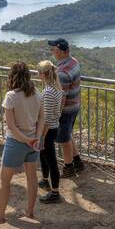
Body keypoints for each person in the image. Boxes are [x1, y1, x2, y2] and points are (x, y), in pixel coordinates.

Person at [0, 62, 45, 224]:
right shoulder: (38, 94)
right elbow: (42, 118)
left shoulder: (11, 96)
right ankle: (30, 212)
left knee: (4, 181)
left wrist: (25, 139)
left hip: (16, 143)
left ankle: (0, 217)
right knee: (32, 178)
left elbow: (11, 125)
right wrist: (35, 138)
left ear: (12, 76)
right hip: (33, 142)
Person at [47, 38, 85, 177]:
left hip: (66, 109)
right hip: (75, 105)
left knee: (63, 140)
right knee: (67, 134)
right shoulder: (74, 61)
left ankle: (69, 168)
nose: (52, 52)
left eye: (53, 50)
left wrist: (56, 114)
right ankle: (78, 162)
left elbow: (62, 97)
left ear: (61, 52)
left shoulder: (62, 74)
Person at [37, 60, 64, 203]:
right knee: (44, 156)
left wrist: (41, 137)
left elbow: (45, 120)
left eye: (38, 72)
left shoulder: (48, 92)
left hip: (48, 129)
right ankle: (45, 180)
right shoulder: (57, 88)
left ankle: (55, 193)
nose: (37, 75)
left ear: (43, 74)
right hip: (55, 126)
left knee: (51, 160)